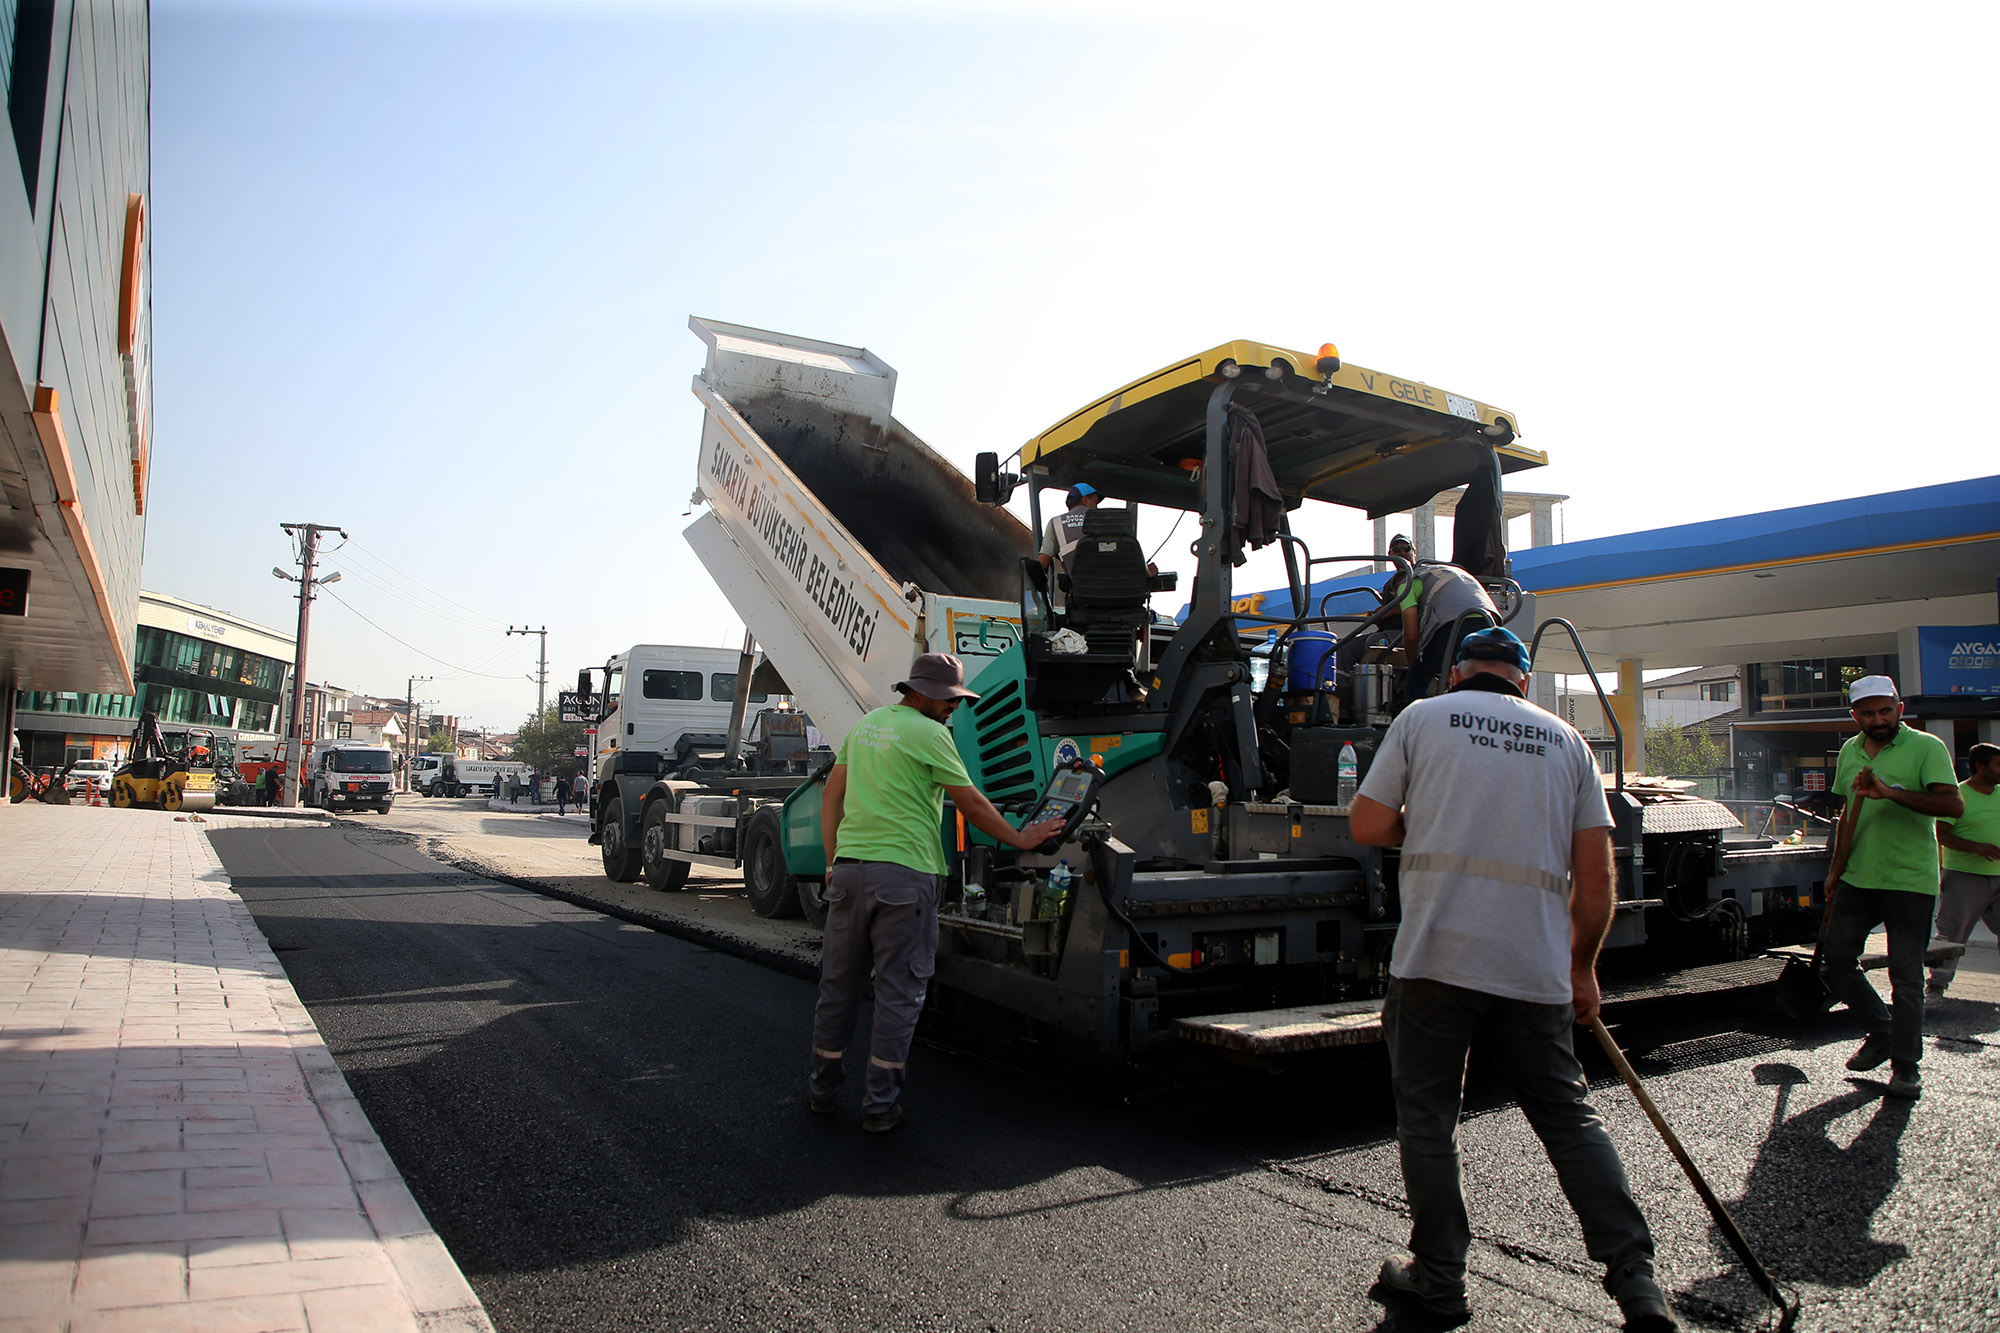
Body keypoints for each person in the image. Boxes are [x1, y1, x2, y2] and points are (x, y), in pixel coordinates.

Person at [1350, 626, 1676, 1331]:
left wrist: (1431, 823)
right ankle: (1636, 1281)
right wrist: (1582, 968)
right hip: (1531, 968)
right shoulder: (1566, 742)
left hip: (1434, 960)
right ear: (1523, 681)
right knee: (1568, 1118)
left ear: (1457, 675)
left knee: (1429, 1125)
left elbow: (1368, 821)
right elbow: (1597, 880)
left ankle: (1439, 1278)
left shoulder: (1422, 719)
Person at [808, 653, 1065, 1133]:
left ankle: (822, 1090)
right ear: (921, 693)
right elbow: (969, 801)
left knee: (838, 988)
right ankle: (879, 1106)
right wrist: (1022, 838)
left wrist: (830, 862)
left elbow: (831, 796)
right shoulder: (931, 735)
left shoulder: (864, 728)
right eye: (949, 701)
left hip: (847, 875)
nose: (955, 710)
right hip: (904, 879)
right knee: (898, 992)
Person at [1825, 675, 1961, 1100]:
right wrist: (1834, 869)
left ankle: (1906, 1067)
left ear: (1900, 709)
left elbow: (1951, 806)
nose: (1878, 719)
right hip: (1857, 878)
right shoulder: (1849, 751)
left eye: (1885, 710)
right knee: (1837, 959)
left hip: (1909, 880)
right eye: (1868, 713)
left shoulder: (1927, 747)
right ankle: (1881, 1030)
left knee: (1905, 978)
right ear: (1856, 716)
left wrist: (1892, 793)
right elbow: (1847, 815)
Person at [1929, 742, 2000, 1000]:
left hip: (1999, 875)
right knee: (1951, 932)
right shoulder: (1957, 796)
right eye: (1998, 764)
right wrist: (1976, 848)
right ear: (1980, 766)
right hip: (1964, 877)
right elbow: (1940, 834)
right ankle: (1936, 985)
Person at [1401, 561, 1498, 702]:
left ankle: (1421, 721)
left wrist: (1413, 667)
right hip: (1488, 621)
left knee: (1416, 682)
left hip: (1454, 623)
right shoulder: (1454, 573)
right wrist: (1445, 671)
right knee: (1475, 680)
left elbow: (1411, 637)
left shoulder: (1407, 584)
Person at [1037, 483, 1101, 610]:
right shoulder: (1109, 520)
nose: (1097, 508)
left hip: (1082, 603)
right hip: (1121, 602)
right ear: (1085, 500)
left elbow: (1042, 564)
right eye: (1096, 503)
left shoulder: (1056, 524)